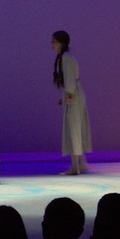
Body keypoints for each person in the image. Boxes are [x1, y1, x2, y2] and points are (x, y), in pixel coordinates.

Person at [51, 30, 92, 174]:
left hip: (73, 93)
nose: (52, 44)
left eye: (54, 41)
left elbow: (69, 80)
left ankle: (75, 167)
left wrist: (68, 97)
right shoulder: (64, 57)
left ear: (61, 42)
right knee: (76, 128)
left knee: (73, 128)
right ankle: (82, 163)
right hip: (74, 92)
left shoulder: (66, 58)